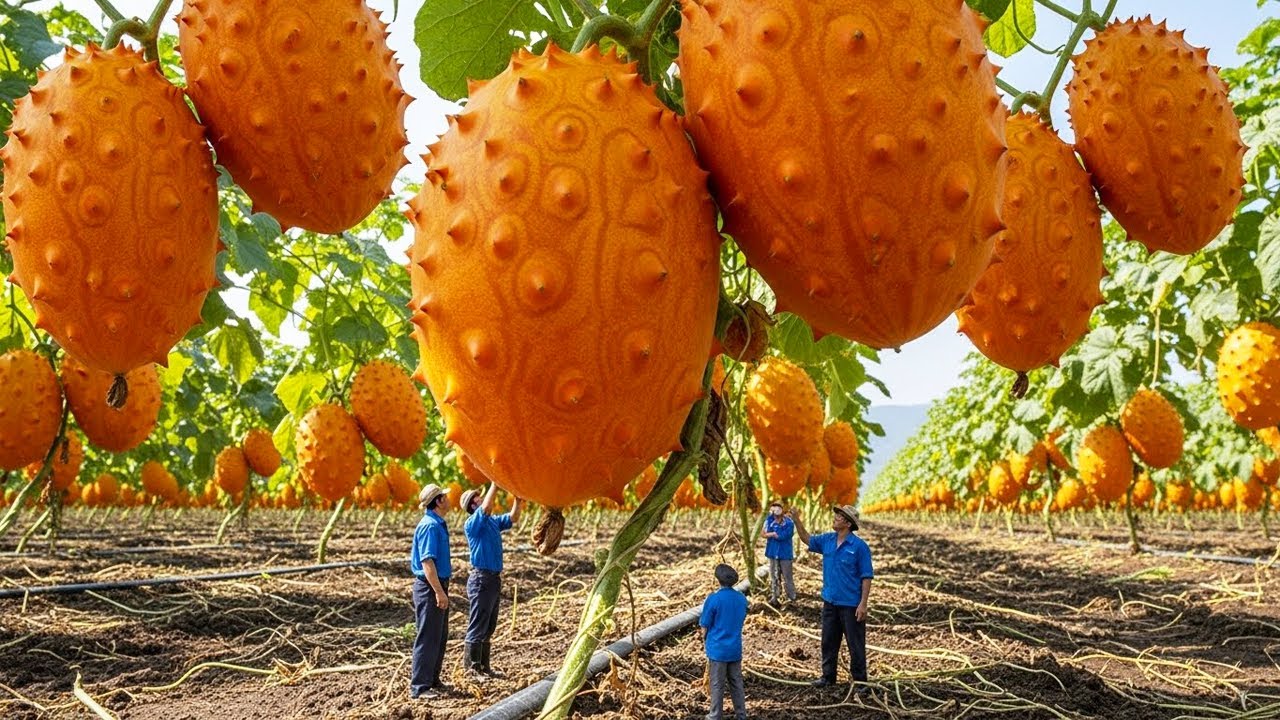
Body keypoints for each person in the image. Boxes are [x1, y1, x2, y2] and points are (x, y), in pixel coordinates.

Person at [792, 504, 873, 692]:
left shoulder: (859, 547)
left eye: (838, 516)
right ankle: (828, 677)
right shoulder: (827, 540)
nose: (835, 518)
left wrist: (863, 603)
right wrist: (796, 520)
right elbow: (806, 539)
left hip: (851, 604)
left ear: (847, 522)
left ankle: (861, 682)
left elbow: (866, 576)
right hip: (830, 602)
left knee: (855, 644)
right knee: (828, 641)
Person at [460, 482, 523, 679]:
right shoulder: (473, 523)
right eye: (478, 498)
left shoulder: (492, 522)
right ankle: (472, 670)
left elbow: (512, 518)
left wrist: (518, 501)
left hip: (493, 579)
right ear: (473, 505)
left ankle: (484, 667)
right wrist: (495, 483)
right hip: (481, 578)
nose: (482, 499)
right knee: (478, 625)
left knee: (489, 626)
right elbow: (487, 506)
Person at [409, 483, 452, 699]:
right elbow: (427, 563)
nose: (448, 498)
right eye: (445, 496)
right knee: (427, 636)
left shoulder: (437, 523)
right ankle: (420, 687)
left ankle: (433, 680)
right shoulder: (429, 526)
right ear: (439, 501)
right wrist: (438, 591)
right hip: (429, 587)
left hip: (437, 584)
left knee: (439, 636)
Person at [700, 563, 749, 720]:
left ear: (717, 580)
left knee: (717, 683)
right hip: (734, 648)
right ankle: (741, 714)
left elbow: (704, 625)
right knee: (736, 682)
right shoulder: (741, 599)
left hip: (717, 649)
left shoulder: (713, 599)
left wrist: (704, 639)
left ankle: (715, 715)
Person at [761, 501, 796, 605]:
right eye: (773, 509)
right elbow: (763, 534)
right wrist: (772, 534)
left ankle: (791, 597)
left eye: (777, 509)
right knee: (774, 576)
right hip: (772, 552)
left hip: (785, 554)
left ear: (782, 510)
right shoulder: (768, 521)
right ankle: (775, 597)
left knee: (787, 576)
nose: (775, 511)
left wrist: (774, 534)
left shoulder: (789, 522)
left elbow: (785, 535)